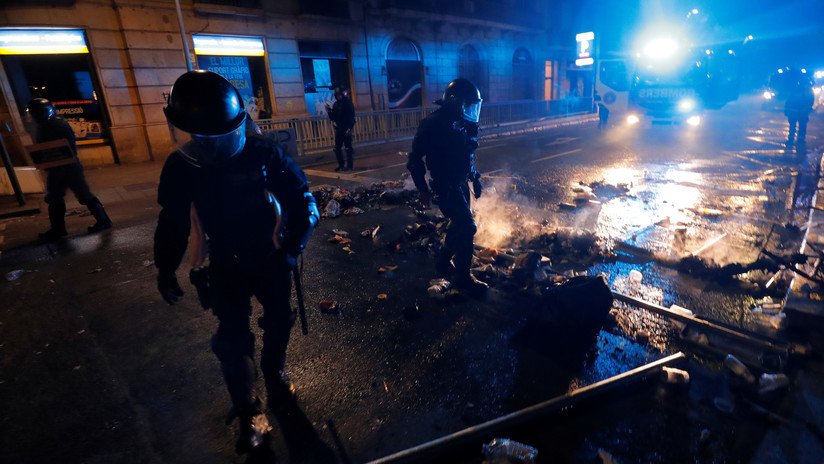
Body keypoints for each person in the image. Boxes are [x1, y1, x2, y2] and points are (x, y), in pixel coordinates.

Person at [154, 70, 319, 454]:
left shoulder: (264, 154)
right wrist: (165, 266)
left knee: (279, 319)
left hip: (271, 255)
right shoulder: (182, 166)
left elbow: (303, 201)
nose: (211, 149)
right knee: (231, 339)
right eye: (202, 139)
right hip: (225, 261)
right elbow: (173, 221)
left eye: (219, 138)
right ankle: (248, 411)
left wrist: (294, 247)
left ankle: (274, 373)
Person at [407, 78, 489, 295]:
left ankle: (443, 261)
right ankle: (463, 276)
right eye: (467, 104)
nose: (471, 109)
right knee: (468, 226)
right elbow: (414, 160)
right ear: (455, 101)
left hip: (461, 183)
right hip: (444, 184)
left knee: (460, 223)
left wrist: (475, 178)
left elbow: (468, 155)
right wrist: (423, 190)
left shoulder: (463, 122)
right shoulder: (432, 124)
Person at [26, 98, 112, 241]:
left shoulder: (58, 125)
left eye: (39, 113)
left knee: (83, 196)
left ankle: (103, 221)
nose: (37, 117)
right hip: (56, 168)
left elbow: (68, 147)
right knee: (54, 199)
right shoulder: (42, 127)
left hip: (68, 167)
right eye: (35, 114)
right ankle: (58, 229)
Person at [326, 87, 356, 171]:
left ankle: (350, 166)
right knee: (337, 148)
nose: (339, 97)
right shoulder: (336, 104)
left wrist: (350, 128)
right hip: (339, 129)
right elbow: (333, 117)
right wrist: (329, 111)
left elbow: (352, 117)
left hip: (347, 128)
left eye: (340, 95)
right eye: (337, 95)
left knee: (348, 148)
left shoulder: (348, 103)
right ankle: (341, 165)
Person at [784, 77, 814, 147]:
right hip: (801, 112)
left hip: (795, 111)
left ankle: (792, 139)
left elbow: (788, 101)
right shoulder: (808, 90)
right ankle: (800, 140)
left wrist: (787, 110)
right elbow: (810, 101)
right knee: (801, 126)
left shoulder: (796, 89)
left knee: (793, 126)